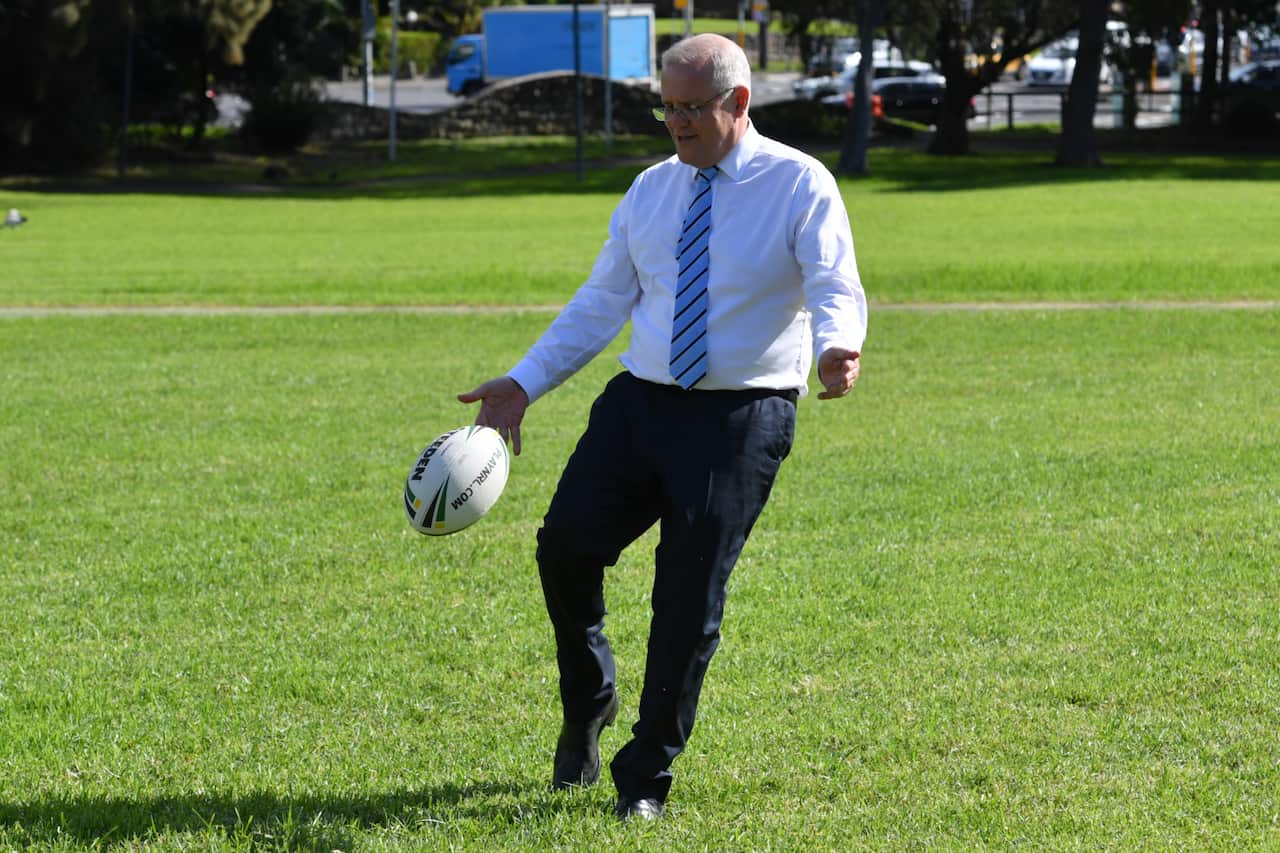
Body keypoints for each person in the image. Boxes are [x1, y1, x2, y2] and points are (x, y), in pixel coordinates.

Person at [458, 33, 867, 821]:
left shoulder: (798, 184)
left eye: (690, 108)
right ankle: (591, 700)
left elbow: (831, 277)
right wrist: (523, 383)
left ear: (737, 103)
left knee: (686, 592)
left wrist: (838, 345)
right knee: (565, 546)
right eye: (666, 107)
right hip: (641, 401)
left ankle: (643, 777)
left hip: (741, 414)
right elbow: (600, 302)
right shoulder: (651, 188)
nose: (675, 123)